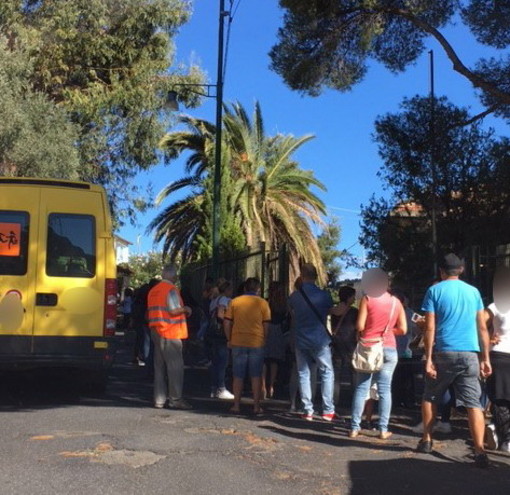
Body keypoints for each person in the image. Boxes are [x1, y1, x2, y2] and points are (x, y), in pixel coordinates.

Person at [417, 253, 492, 468]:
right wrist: (485, 358)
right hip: (470, 353)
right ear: (461, 270)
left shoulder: (434, 290)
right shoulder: (474, 292)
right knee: (473, 403)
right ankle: (479, 450)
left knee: (431, 395)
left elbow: (430, 327)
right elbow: (482, 327)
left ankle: (427, 440)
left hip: (444, 351)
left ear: (441, 271)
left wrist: (429, 357)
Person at [350, 268, 407, 439]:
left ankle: (354, 427)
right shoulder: (396, 302)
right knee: (385, 390)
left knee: (362, 388)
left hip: (369, 347)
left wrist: (370, 329)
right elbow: (403, 329)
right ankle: (383, 429)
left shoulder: (367, 299)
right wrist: (388, 331)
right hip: (389, 347)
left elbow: (360, 326)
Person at [288, 263, 335, 421]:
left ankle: (307, 410)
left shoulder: (294, 297)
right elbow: (329, 312)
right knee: (326, 372)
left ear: (302, 275)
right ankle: (328, 410)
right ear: (315, 276)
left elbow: (292, 315)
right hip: (320, 339)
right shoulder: (324, 295)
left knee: (303, 374)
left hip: (301, 339)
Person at [147, 264, 192, 410]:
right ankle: (175, 399)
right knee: (175, 367)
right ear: (174, 276)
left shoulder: (153, 290)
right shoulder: (171, 290)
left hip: (156, 330)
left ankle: (159, 400)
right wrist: (186, 309)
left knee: (159, 367)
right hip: (170, 332)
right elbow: (173, 311)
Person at [224, 277, 271, 415]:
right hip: (256, 342)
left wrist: (229, 338)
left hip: (238, 341)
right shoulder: (263, 303)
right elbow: (266, 324)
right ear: (258, 289)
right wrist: (264, 339)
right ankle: (256, 406)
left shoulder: (234, 302)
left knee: (238, 375)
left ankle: (236, 405)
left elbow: (227, 322)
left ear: (244, 288)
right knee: (256, 375)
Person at [484, 267, 510, 453]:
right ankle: (499, 431)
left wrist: (488, 339)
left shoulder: (495, 306)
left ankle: (504, 438)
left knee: (500, 398)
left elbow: (479, 324)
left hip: (499, 354)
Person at [331, 285, 358, 411]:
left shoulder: (334, 310)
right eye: (353, 296)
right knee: (354, 373)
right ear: (348, 297)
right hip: (350, 344)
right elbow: (358, 328)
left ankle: (334, 401)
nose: (355, 298)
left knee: (336, 375)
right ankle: (355, 400)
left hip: (337, 343)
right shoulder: (354, 312)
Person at [207, 280, 234, 400]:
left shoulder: (214, 300)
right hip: (222, 334)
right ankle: (221, 388)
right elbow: (220, 314)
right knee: (223, 362)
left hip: (213, 334)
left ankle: (214, 388)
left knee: (215, 362)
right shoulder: (224, 300)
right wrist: (227, 323)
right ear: (227, 290)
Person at [262, 281, 288, 399]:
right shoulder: (283, 303)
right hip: (278, 330)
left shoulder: (266, 302)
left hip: (266, 329)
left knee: (264, 360)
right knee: (274, 360)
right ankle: (271, 385)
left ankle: (262, 385)